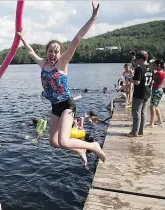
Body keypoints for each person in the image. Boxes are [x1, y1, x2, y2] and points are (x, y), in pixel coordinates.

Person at [17, 1, 106, 166]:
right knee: (54, 142)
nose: (53, 54)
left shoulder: (62, 63)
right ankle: (80, 150)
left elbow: (77, 38)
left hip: (67, 105)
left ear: (60, 53)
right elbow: (30, 52)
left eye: (56, 51)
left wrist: (93, 17)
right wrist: (22, 38)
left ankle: (92, 146)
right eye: (50, 51)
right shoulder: (43, 64)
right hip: (55, 106)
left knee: (64, 141)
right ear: (46, 52)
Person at [128, 51, 152, 137]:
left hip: (139, 94)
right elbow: (151, 81)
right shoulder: (151, 67)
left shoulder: (139, 68)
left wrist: (130, 80)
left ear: (141, 59)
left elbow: (137, 82)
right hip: (147, 93)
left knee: (136, 112)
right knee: (143, 112)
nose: (136, 61)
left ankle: (134, 132)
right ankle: (141, 131)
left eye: (137, 59)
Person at [148, 59, 165, 127]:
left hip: (156, 90)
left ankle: (151, 123)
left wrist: (151, 68)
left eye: (154, 65)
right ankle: (159, 120)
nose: (153, 66)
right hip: (159, 89)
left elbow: (152, 80)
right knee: (156, 106)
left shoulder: (158, 73)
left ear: (158, 65)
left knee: (152, 106)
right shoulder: (161, 71)